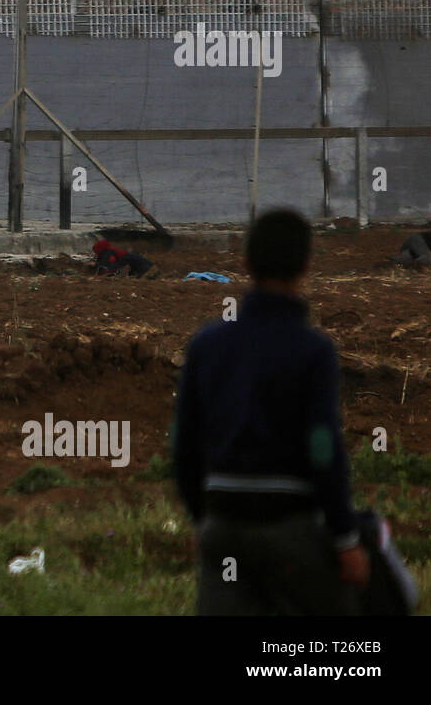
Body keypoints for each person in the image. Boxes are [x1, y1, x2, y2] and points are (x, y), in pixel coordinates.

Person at [173, 208, 369, 615]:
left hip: (222, 521)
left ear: (245, 263)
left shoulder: (207, 344)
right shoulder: (312, 350)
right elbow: (322, 447)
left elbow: (184, 445)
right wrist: (345, 537)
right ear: (306, 267)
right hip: (289, 526)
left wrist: (202, 519)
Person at [91, 239, 157, 278]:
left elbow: (103, 263)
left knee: (142, 269)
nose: (95, 253)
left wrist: (96, 266)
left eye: (96, 251)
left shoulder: (107, 252)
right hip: (130, 258)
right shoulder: (109, 250)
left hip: (128, 258)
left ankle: (152, 274)